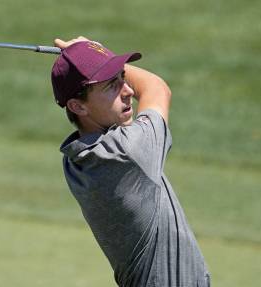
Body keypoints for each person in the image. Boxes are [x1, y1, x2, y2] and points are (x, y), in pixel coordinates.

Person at [51, 37, 211, 287]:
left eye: (122, 77)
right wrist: (92, 49)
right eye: (111, 86)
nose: (128, 90)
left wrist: (92, 56)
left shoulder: (75, 160)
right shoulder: (128, 151)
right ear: (77, 106)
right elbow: (156, 88)